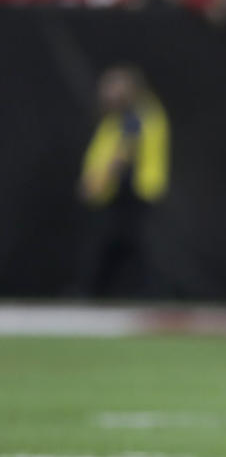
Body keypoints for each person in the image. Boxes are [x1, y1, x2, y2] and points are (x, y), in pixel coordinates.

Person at [74, 65, 169, 298]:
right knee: (119, 242)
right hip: (121, 189)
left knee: (129, 242)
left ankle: (143, 293)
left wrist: (98, 181)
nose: (107, 94)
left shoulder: (136, 115)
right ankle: (99, 290)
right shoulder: (120, 118)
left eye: (113, 87)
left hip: (136, 189)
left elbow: (123, 153)